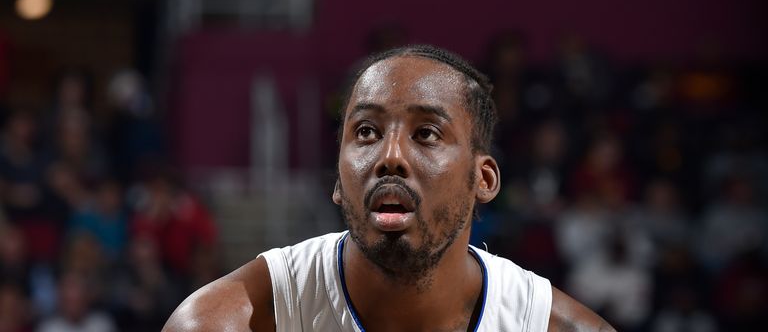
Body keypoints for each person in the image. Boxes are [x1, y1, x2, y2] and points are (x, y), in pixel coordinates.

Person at [163, 45, 615, 331]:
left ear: (484, 179)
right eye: (365, 132)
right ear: (338, 183)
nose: (389, 155)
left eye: (427, 133)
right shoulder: (227, 322)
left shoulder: (552, 325)